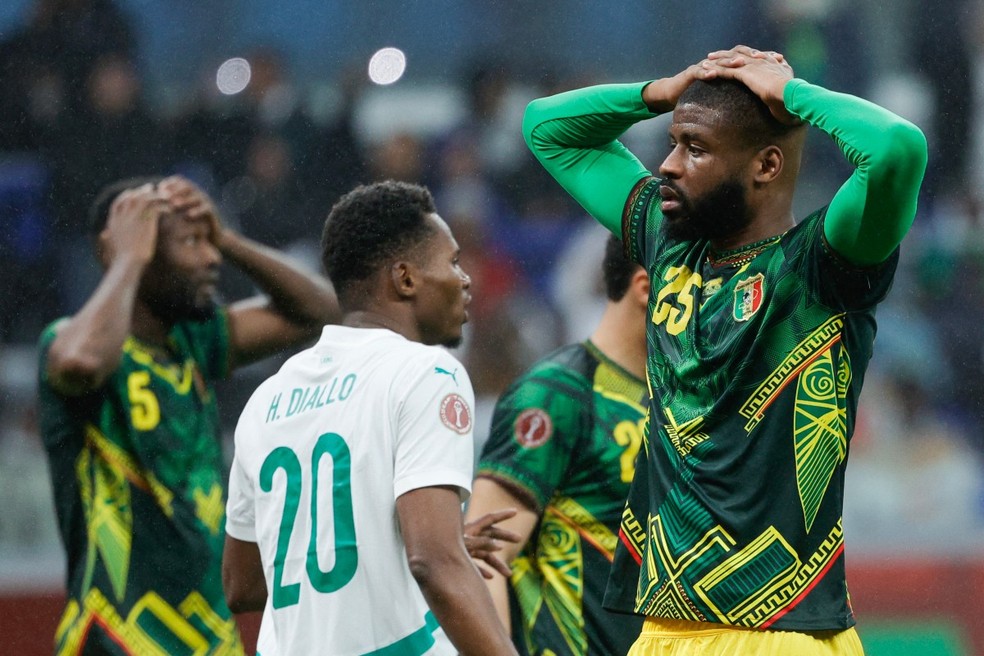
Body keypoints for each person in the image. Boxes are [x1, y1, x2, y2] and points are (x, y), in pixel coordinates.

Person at [522, 45, 927, 654]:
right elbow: (546, 129)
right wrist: (662, 89)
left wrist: (791, 94)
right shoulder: (667, 243)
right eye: (673, 141)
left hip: (778, 634)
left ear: (766, 165)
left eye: (696, 148)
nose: (667, 165)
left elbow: (897, 148)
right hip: (660, 633)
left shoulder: (822, 268)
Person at [37, 174, 338, 655]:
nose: (211, 258)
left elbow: (320, 313)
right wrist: (128, 258)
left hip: (210, 640)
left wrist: (229, 237)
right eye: (191, 243)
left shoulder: (195, 342)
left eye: (209, 242)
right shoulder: (70, 343)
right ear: (126, 251)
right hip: (116, 636)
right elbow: (81, 362)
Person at [221, 180, 519, 655]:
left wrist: (388, 539)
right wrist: (439, 543)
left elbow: (242, 584)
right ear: (405, 279)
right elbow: (435, 563)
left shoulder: (267, 399)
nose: (465, 280)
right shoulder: (426, 372)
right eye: (453, 262)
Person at [464, 233, 649, 655]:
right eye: (704, 286)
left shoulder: (681, 407)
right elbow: (482, 564)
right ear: (647, 288)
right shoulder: (557, 395)